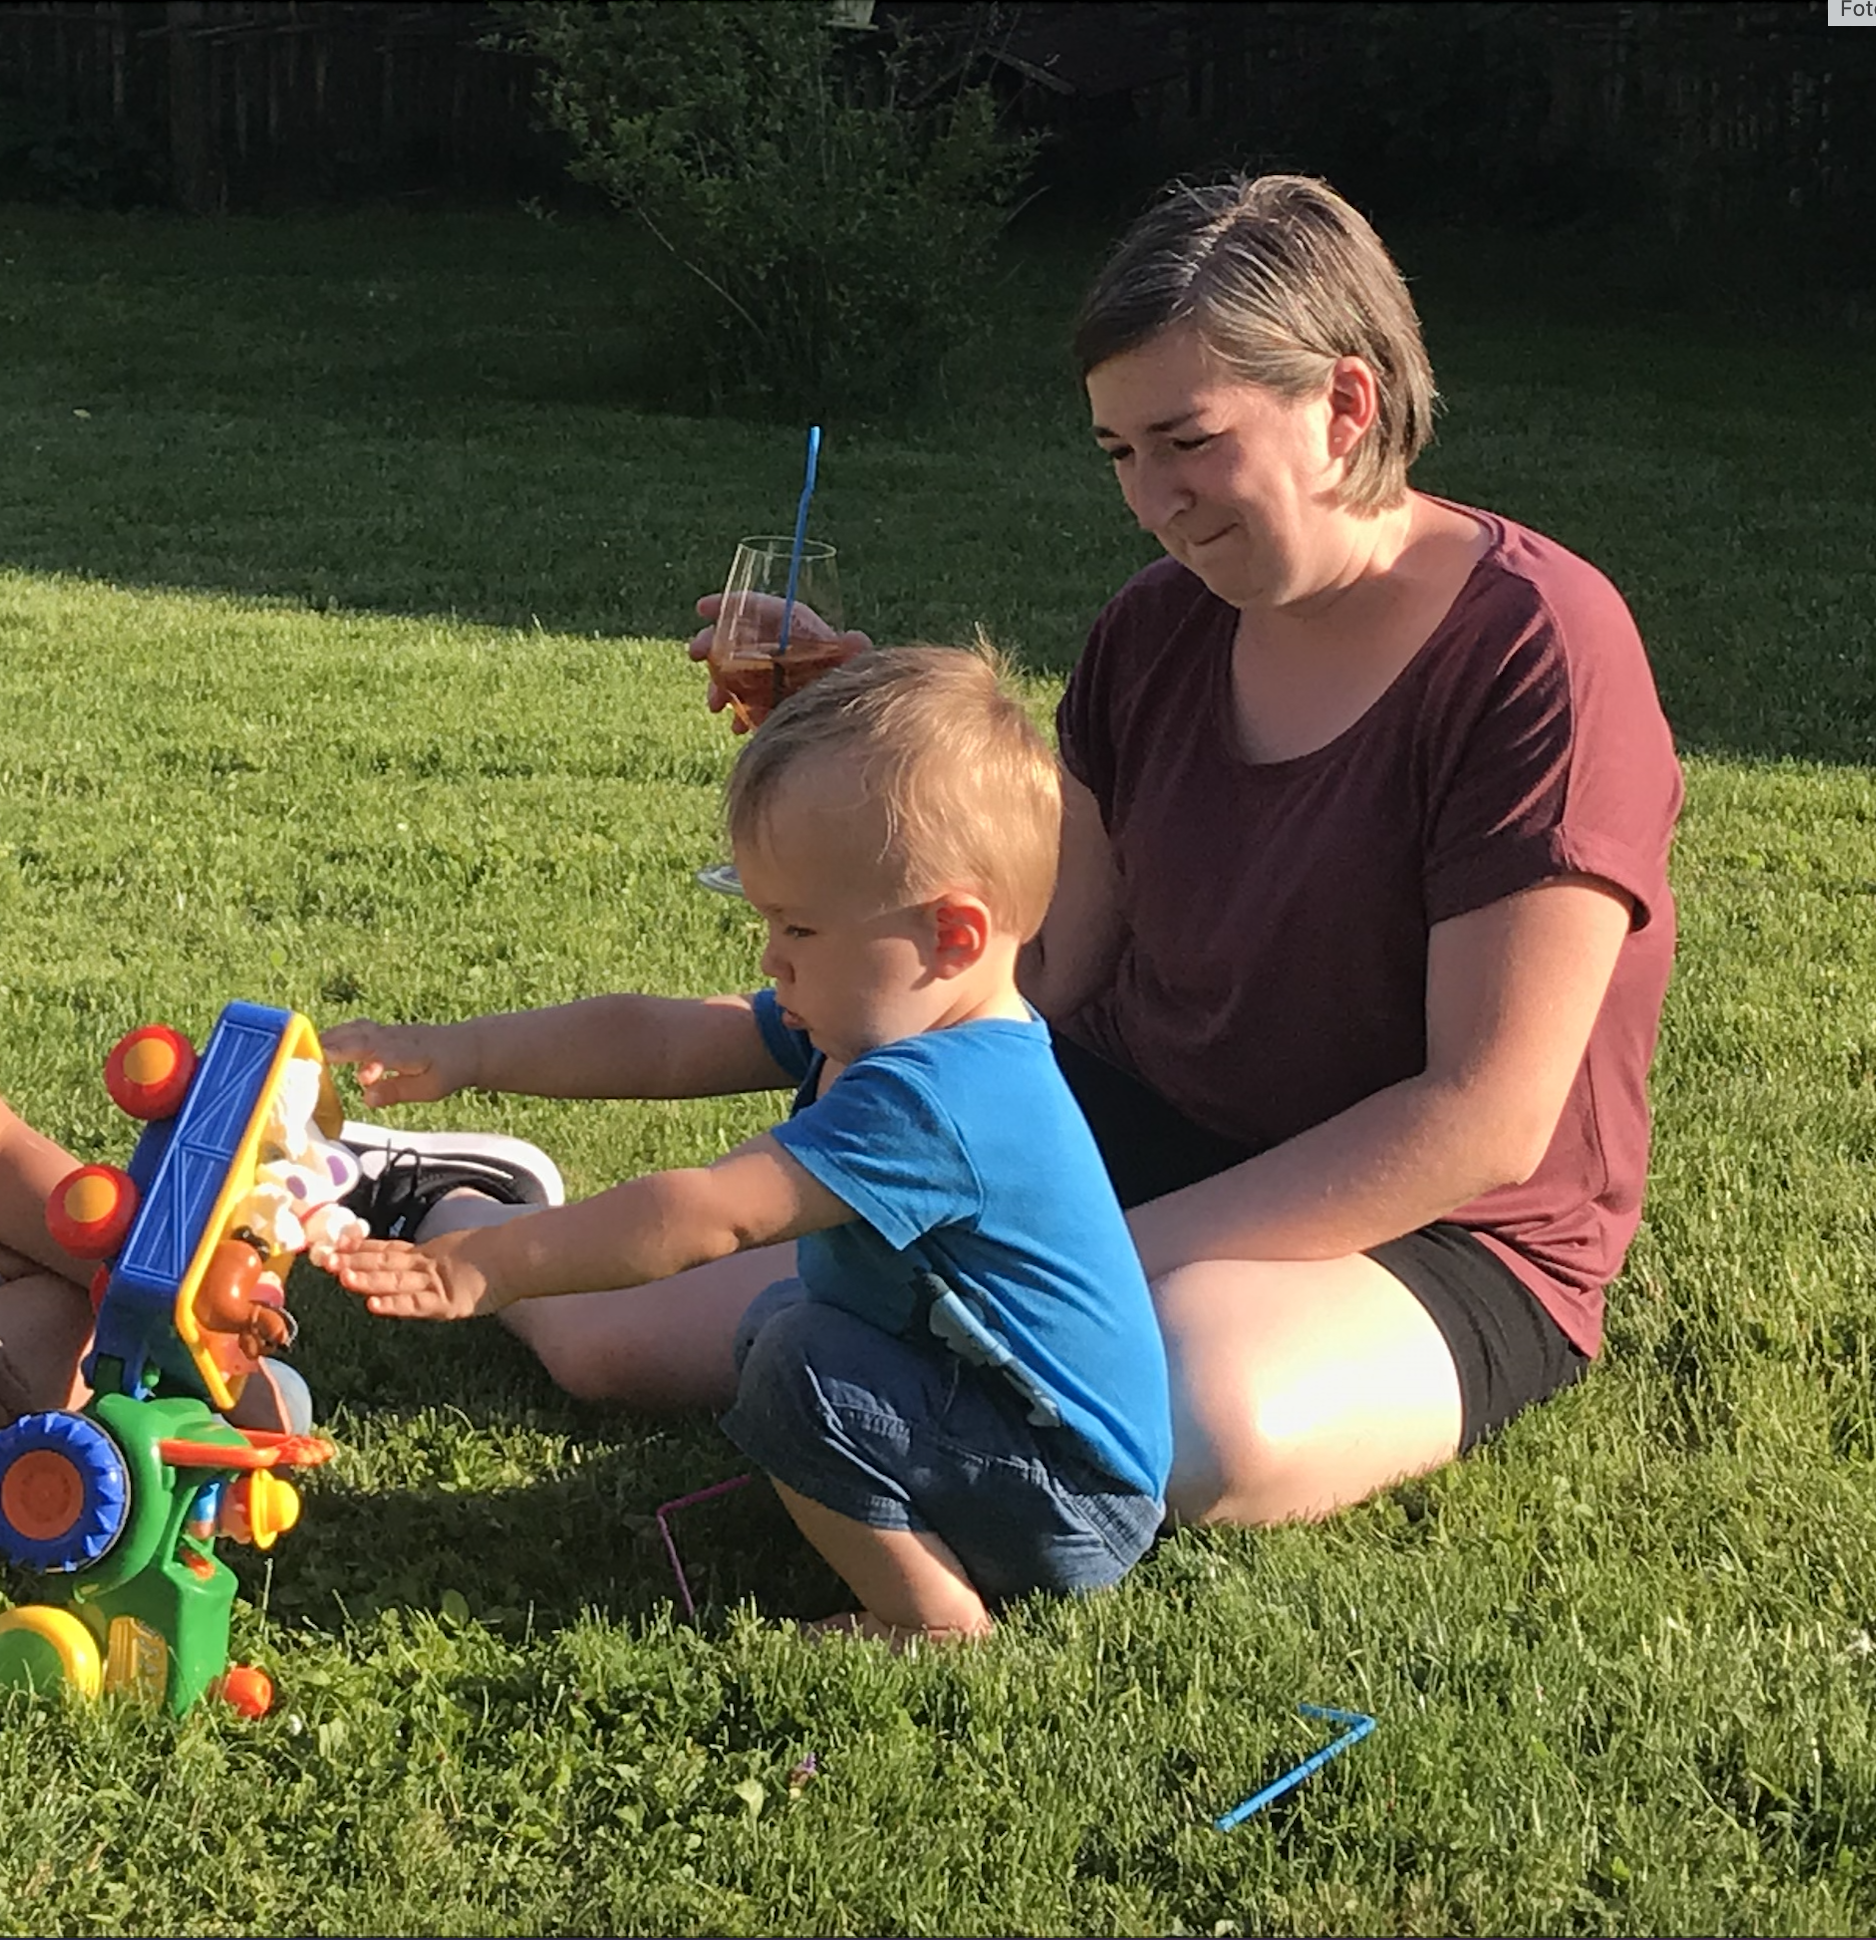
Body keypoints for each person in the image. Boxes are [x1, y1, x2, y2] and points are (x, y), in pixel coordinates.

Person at [340, 172, 1684, 1530]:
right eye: (1120, 454)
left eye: (1188, 442)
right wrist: (886, 757)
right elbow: (1046, 972)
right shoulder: (1155, 629)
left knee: (1203, 1421)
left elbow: (1481, 1119)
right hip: (1121, 1125)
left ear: (1345, 405)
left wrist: (1095, 1258)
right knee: (609, 1339)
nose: (1154, 501)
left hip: (1445, 1231)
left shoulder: (1534, 650)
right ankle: (441, 1195)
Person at [320, 648, 1172, 1644]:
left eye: (799, 929)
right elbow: (663, 1038)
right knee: (783, 1323)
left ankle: (931, 1619)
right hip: (1017, 1439)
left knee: (798, 1362)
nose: (771, 958)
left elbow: (707, 1214)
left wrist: (488, 1264)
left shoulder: (941, 1096)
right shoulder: (891, 1020)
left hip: (1070, 1495)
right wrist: (468, 1050)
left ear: (953, 934)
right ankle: (894, 1512)